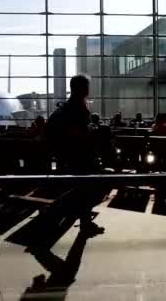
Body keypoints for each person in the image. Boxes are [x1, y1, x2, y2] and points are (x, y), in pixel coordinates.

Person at [45, 75, 107, 236]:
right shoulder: (77, 107)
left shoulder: (65, 108)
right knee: (92, 186)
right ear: (82, 88)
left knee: (85, 187)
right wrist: (92, 131)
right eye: (87, 86)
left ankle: (84, 222)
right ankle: (61, 210)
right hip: (78, 156)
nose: (88, 90)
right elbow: (78, 133)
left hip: (66, 156)